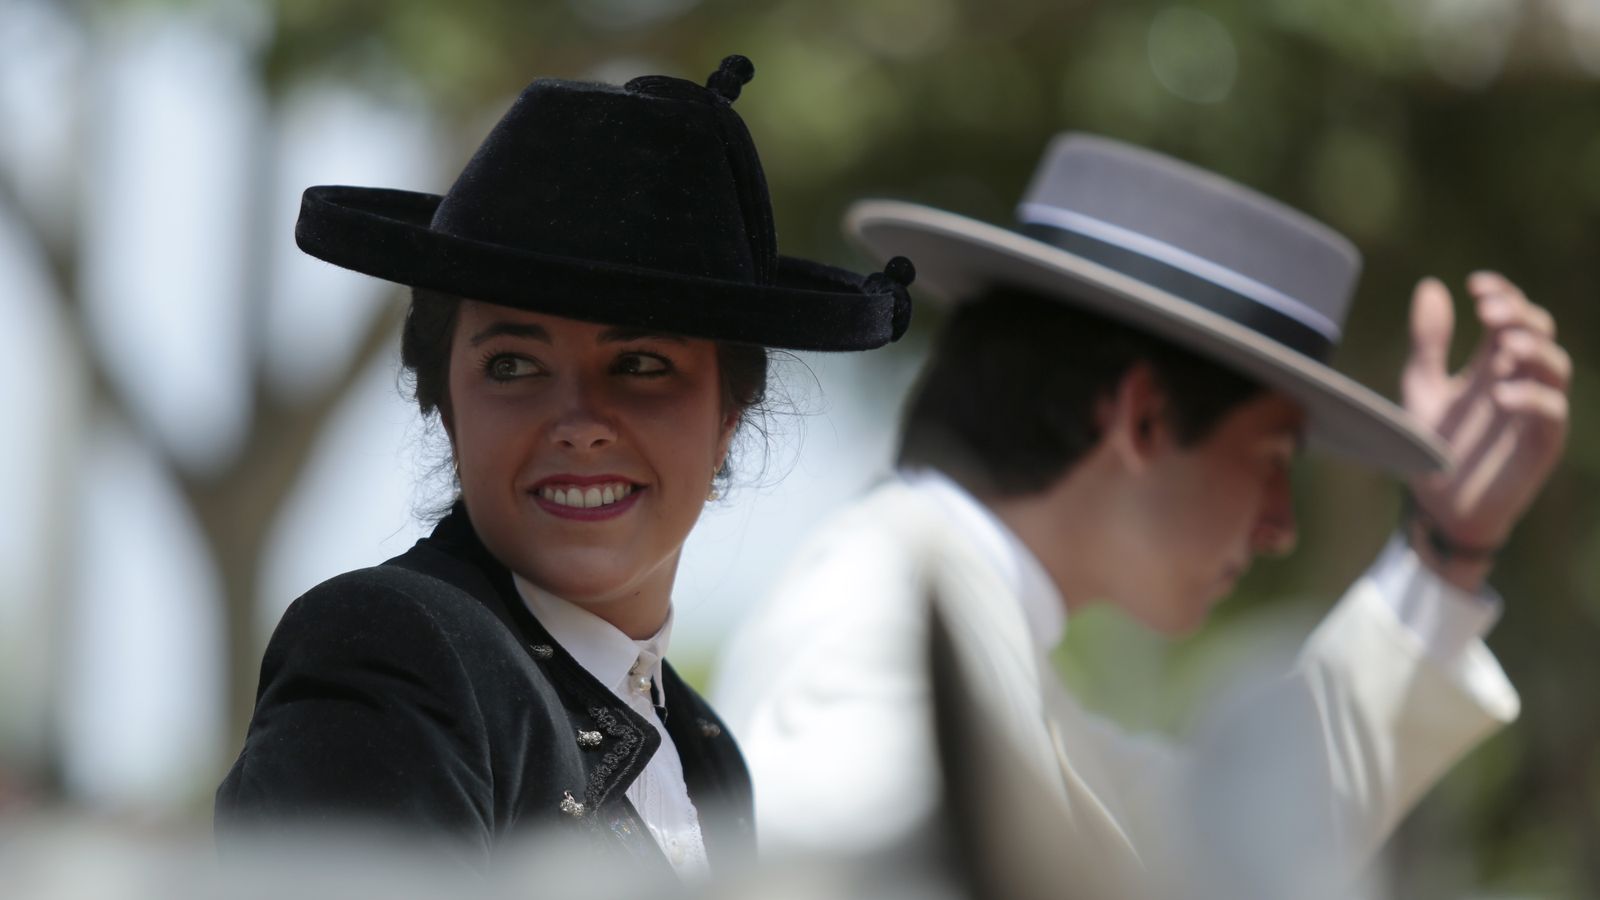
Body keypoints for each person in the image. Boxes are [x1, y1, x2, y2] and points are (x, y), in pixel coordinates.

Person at [713, 133, 1569, 895]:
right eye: (1273, 457)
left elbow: (1247, 830)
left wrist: (1450, 549)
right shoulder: (883, 625)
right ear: (1143, 419)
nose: (1281, 526)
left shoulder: (975, 625)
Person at [214, 55, 915, 878]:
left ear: (730, 412)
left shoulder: (708, 751)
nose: (580, 425)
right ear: (445, 399)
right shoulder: (394, 648)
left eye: (642, 364)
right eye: (514, 365)